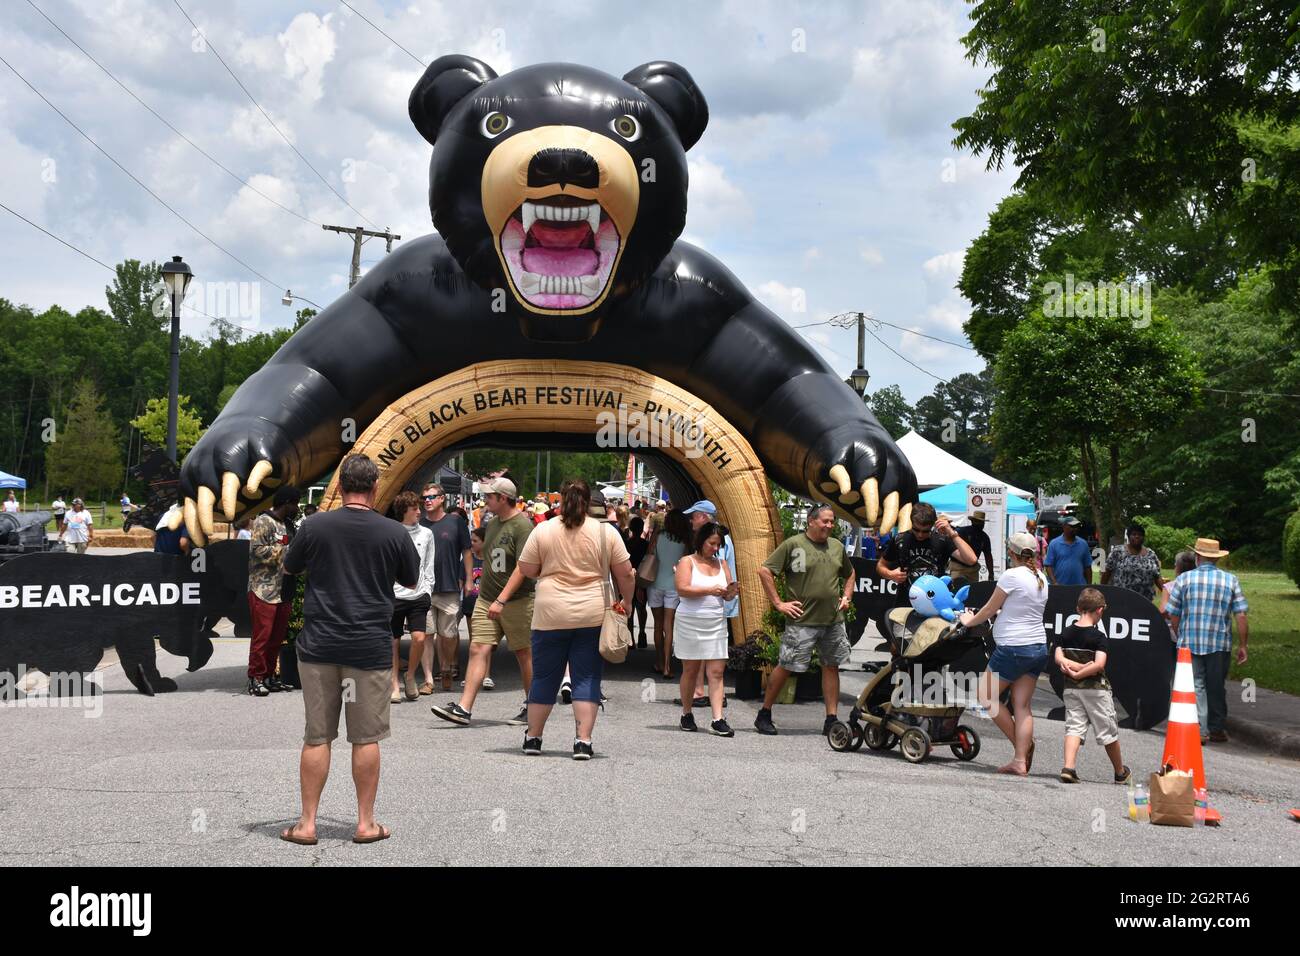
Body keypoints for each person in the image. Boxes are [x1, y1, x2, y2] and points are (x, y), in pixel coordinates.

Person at [279, 454, 420, 847]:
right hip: (369, 647)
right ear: (375, 488)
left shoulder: (314, 525)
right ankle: (365, 823)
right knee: (365, 738)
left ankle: (307, 824)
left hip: (320, 644)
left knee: (317, 736)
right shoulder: (394, 532)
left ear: (340, 487)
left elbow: (290, 567)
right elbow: (409, 580)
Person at [490, 478, 634, 759]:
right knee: (587, 677)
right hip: (591, 614)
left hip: (550, 613)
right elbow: (626, 573)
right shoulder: (606, 533)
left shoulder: (543, 530)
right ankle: (583, 741)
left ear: (561, 500)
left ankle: (533, 737)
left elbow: (528, 569)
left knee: (544, 676)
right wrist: (626, 602)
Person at [431, 477, 535, 728]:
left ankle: (534, 706)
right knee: (479, 648)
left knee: (524, 654)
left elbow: (523, 567)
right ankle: (464, 709)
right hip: (487, 599)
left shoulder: (523, 526)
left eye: (490, 496)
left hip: (516, 601)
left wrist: (502, 599)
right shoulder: (493, 522)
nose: (485, 500)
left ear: (503, 498)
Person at [754, 504, 856, 737]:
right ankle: (764, 713)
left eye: (832, 522)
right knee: (787, 665)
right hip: (802, 621)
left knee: (831, 666)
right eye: (825, 521)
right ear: (811, 521)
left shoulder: (837, 547)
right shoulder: (793, 544)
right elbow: (765, 571)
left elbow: (850, 573)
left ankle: (831, 719)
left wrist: (847, 596)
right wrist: (779, 603)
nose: (830, 526)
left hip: (832, 620)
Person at [958, 531, 1048, 776]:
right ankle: (1020, 759)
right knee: (1022, 706)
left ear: (1012, 553)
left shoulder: (1011, 575)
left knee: (986, 696)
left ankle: (1023, 747)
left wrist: (968, 621)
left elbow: (989, 607)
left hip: (1013, 647)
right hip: (1037, 647)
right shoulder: (1041, 577)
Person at [1164, 538, 1249, 745]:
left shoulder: (1184, 580)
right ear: (1216, 559)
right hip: (1219, 642)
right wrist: (1243, 645)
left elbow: (1172, 613)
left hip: (1189, 641)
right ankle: (1217, 728)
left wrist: (1179, 632)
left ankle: (1200, 729)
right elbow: (1241, 615)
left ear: (1198, 557)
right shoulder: (1231, 580)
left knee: (1196, 685)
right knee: (1217, 685)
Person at [1055, 588, 1130, 784]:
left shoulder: (1065, 633)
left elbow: (1058, 657)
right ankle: (1120, 771)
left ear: (1078, 608)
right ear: (1100, 610)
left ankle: (1069, 767)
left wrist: (1073, 671)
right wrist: (1082, 670)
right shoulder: (1098, 637)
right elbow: (1099, 665)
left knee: (1074, 727)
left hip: (1071, 688)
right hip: (1096, 690)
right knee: (1107, 730)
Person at [673, 521, 737, 736]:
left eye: (718, 545)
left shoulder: (722, 564)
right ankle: (686, 712)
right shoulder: (687, 561)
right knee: (690, 670)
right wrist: (710, 589)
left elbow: (727, 592)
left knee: (717, 671)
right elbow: (682, 589)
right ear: (701, 541)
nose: (715, 548)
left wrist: (731, 592)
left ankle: (717, 718)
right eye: (712, 543)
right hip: (690, 620)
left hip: (715, 621)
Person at [246, 487, 301, 697]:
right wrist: (288, 551)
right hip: (264, 589)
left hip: (284, 588)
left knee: (277, 638)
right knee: (262, 637)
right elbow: (257, 550)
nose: (296, 508)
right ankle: (256, 678)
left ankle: (269, 676)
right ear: (286, 502)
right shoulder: (264, 521)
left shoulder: (287, 525)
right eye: (294, 503)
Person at [419, 483, 473, 692]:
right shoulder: (419, 524)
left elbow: (467, 551)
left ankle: (446, 667)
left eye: (432, 497)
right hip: (424, 588)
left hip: (449, 586)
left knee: (448, 634)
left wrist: (468, 579)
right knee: (426, 634)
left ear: (442, 498)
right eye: (424, 498)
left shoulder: (455, 522)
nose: (427, 501)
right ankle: (428, 679)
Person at [682, 499, 736, 703]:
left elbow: (715, 571)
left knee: (706, 652)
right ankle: (705, 692)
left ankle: (701, 692)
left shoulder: (716, 541)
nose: (691, 521)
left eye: (693, 516)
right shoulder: (717, 539)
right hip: (713, 605)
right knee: (706, 652)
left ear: (703, 517)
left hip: (714, 607)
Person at [389, 491, 436, 704]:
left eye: (419, 507)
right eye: (414, 508)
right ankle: (393, 684)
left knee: (419, 638)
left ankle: (410, 677)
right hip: (395, 594)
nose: (419, 511)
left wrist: (428, 589)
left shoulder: (427, 533)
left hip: (419, 594)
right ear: (403, 511)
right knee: (393, 641)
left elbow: (428, 564)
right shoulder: (391, 532)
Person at [876, 502, 977, 600]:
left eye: (925, 531)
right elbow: (880, 566)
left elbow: (971, 559)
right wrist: (891, 574)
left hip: (936, 602)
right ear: (911, 522)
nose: (920, 534)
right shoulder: (900, 539)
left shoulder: (941, 540)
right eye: (916, 530)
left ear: (933, 525)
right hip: (906, 602)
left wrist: (951, 533)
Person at [648, 509, 690, 678]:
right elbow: (686, 563)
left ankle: (658, 661)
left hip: (655, 584)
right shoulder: (685, 541)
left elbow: (649, 554)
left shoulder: (658, 536)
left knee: (657, 626)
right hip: (673, 585)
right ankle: (667, 666)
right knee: (669, 626)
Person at [1102, 522, 1164, 601]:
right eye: (1134, 534)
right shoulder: (1118, 551)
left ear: (1143, 537)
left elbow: (1157, 576)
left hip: (1145, 600)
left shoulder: (1151, 554)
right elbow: (1107, 572)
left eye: (1140, 535)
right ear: (1128, 536)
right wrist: (1102, 591)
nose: (1137, 536)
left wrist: (1167, 593)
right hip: (1122, 598)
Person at [950, 510, 995, 585]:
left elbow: (988, 556)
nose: (979, 524)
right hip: (958, 568)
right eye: (978, 521)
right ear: (972, 521)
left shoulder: (984, 537)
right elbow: (950, 547)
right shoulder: (961, 531)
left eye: (981, 522)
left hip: (972, 570)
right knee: (957, 590)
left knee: (971, 592)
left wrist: (991, 573)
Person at [625, 515, 649, 647]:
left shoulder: (626, 544)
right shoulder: (646, 545)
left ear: (631, 529)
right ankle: (642, 633)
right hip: (642, 578)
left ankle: (631, 639)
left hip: (628, 578)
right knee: (642, 607)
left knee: (630, 608)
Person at [1044, 516, 1092, 585]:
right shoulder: (1054, 544)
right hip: (1061, 586)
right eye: (1072, 526)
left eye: (1077, 526)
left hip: (1080, 586)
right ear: (1064, 527)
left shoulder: (1083, 544)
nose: (1075, 528)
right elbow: (1048, 566)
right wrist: (1054, 582)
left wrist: (1089, 585)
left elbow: (1087, 567)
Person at [1159, 550, 1197, 621]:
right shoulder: (1198, 585)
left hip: (1173, 627)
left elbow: (1163, 611)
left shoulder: (1169, 587)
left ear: (1177, 567)